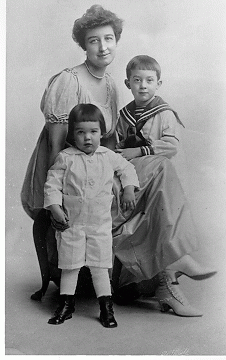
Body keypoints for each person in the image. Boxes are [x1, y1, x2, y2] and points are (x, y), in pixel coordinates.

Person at [20, 5, 124, 300]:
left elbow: (110, 141)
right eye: (94, 40)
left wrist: (114, 176)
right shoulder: (69, 81)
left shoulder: (112, 84)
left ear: (116, 40)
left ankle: (136, 277)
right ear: (83, 45)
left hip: (95, 166)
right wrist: (60, 196)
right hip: (65, 170)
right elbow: (55, 145)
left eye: (108, 39)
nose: (103, 47)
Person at [111, 55, 216, 316]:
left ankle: (167, 281)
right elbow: (119, 147)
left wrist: (140, 151)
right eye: (137, 80)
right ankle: (167, 270)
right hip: (135, 179)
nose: (143, 86)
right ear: (128, 83)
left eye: (149, 81)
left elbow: (170, 146)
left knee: (161, 184)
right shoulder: (124, 116)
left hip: (155, 179)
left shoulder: (164, 113)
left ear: (159, 83)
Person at [44, 103, 139, 327]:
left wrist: (127, 188)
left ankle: (106, 307)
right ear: (72, 134)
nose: (88, 138)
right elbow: (52, 184)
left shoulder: (108, 156)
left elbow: (128, 169)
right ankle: (67, 304)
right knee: (70, 264)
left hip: (99, 223)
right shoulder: (66, 157)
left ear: (102, 132)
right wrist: (55, 208)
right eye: (81, 132)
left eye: (93, 132)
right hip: (72, 222)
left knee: (99, 265)